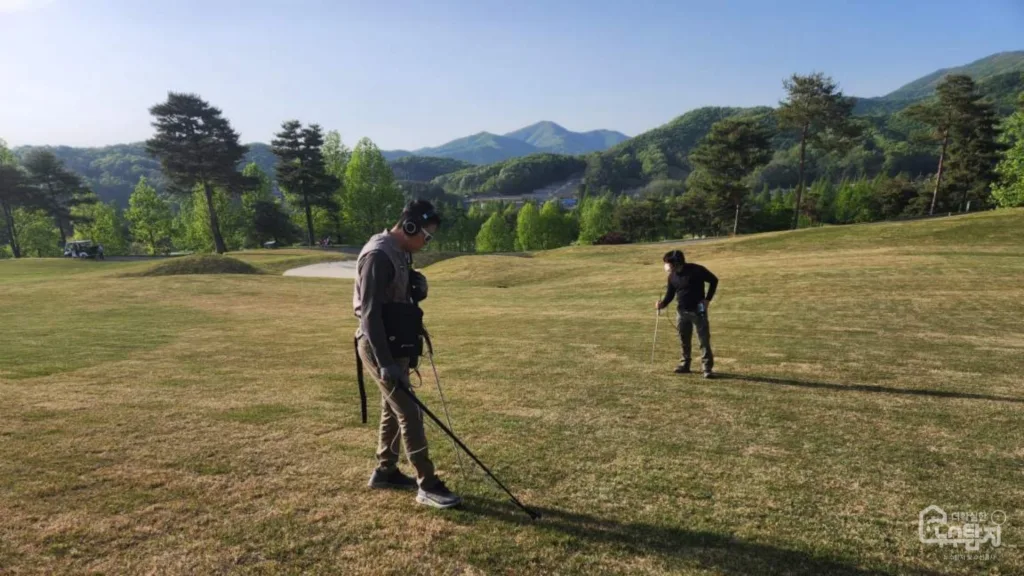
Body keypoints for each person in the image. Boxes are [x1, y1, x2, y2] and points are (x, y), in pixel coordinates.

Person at [352, 199, 461, 509]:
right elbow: (370, 315)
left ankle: (385, 471)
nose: (426, 243)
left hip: (395, 341)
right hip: (378, 345)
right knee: (409, 411)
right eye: (426, 237)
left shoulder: (399, 253)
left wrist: (415, 289)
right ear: (409, 227)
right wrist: (385, 363)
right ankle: (427, 483)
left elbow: (392, 300)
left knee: (393, 409)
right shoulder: (379, 255)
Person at [655, 249, 718, 379]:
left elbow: (714, 280)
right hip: (681, 311)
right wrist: (662, 304)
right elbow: (670, 294)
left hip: (698, 310)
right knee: (684, 339)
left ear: (677, 262)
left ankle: (707, 368)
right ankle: (685, 365)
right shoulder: (672, 276)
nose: (666, 266)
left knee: (703, 340)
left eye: (668, 263)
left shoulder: (696, 270)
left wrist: (707, 300)